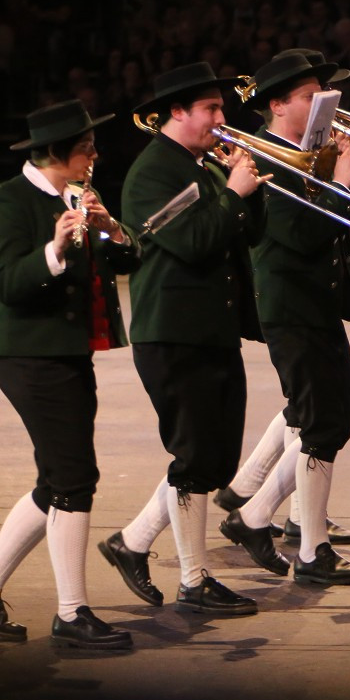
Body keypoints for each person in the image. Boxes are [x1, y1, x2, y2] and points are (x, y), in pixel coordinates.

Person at [99, 62, 269, 615]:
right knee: (195, 456)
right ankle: (194, 581)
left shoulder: (205, 168)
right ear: (177, 111)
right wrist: (235, 193)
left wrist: (252, 187)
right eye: (212, 110)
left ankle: (131, 543)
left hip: (212, 331)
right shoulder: (152, 173)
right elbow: (193, 242)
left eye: (222, 108)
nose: (223, 119)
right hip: (173, 335)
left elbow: (249, 233)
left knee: (215, 460)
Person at [214, 52, 350, 585]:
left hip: (318, 304)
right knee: (318, 422)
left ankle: (255, 516)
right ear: (278, 105)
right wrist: (342, 186)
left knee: (328, 420)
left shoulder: (305, 152)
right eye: (311, 97)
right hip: (292, 307)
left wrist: (349, 173)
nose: (325, 105)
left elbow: (341, 226)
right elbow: (302, 235)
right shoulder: (265, 157)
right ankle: (312, 550)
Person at [0, 100, 138, 649]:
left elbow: (127, 262)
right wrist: (54, 250)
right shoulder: (11, 201)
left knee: (57, 479)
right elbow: (8, 282)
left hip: (70, 351)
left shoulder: (80, 196)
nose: (95, 156)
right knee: (75, 479)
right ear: (59, 153)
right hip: (29, 354)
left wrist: (111, 231)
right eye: (87, 148)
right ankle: (72, 612)